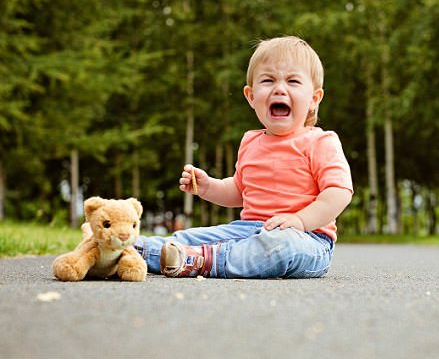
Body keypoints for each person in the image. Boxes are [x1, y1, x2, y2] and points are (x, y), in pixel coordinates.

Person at [135, 36, 353, 279]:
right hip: (246, 231)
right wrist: (209, 187)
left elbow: (338, 192)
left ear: (314, 99)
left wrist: (300, 220)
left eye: (292, 81)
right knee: (187, 236)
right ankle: (125, 250)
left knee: (281, 247)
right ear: (250, 96)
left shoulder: (320, 142)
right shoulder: (250, 141)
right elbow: (239, 191)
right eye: (268, 80)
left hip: (307, 238)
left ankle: (204, 260)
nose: (279, 88)